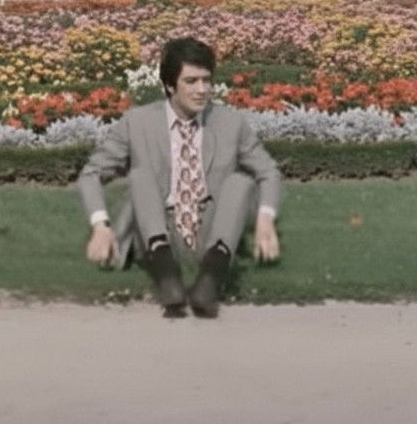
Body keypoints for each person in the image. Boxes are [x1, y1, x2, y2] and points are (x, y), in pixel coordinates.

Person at [79, 37, 281, 318]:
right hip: (160, 225)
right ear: (170, 85)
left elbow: (268, 171)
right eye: (191, 81)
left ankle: (211, 277)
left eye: (206, 80)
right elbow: (91, 173)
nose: (202, 90)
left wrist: (265, 219)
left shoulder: (230, 122)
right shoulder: (137, 122)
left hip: (211, 228)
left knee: (241, 182)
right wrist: (100, 225)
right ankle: (166, 273)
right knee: (140, 175)